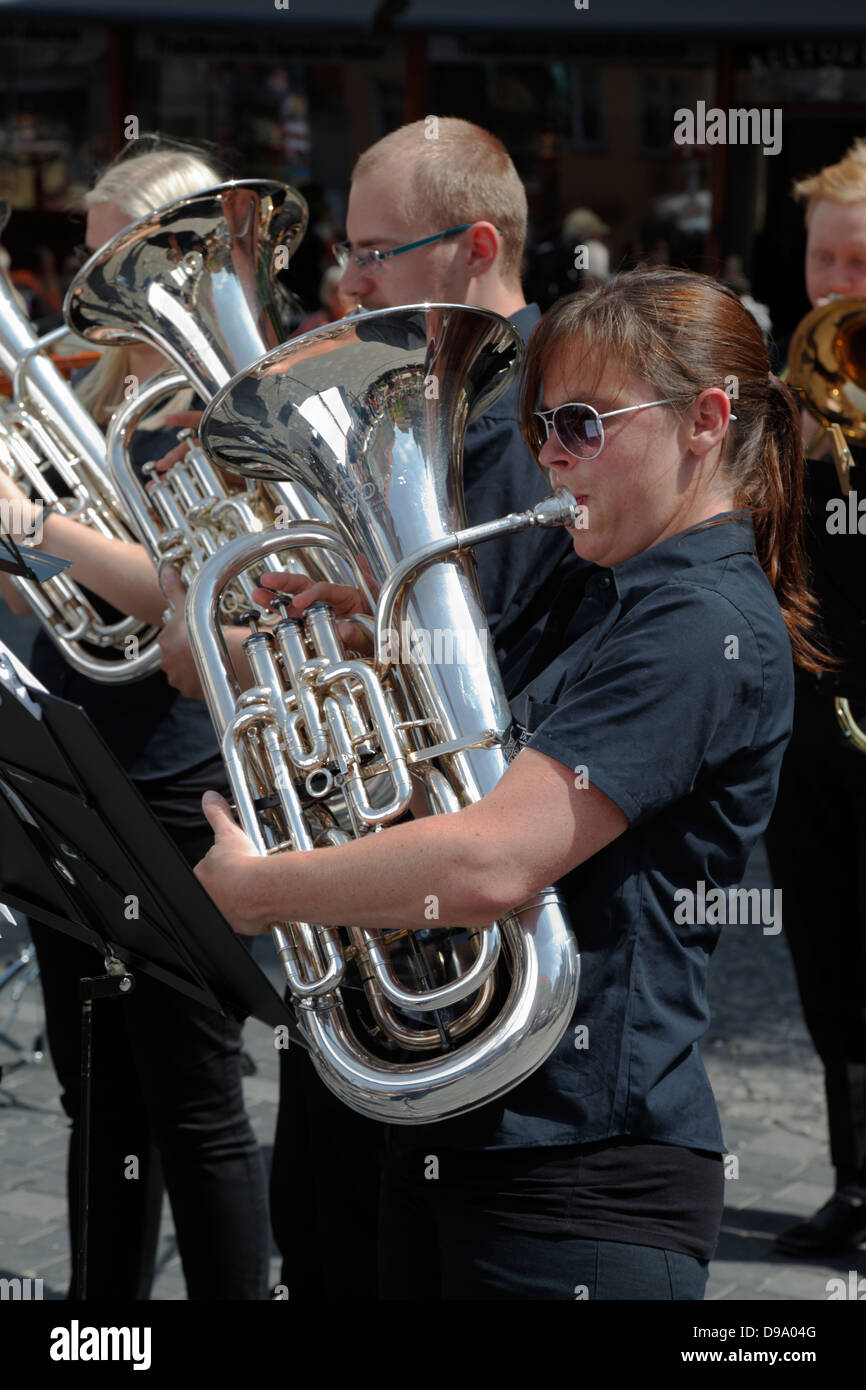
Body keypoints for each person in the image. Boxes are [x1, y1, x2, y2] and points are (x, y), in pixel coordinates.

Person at [193, 265, 822, 1300]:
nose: (547, 457)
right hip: (482, 1149)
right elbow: (462, 798)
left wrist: (262, 891)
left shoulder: (699, 624)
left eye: (580, 423)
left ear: (704, 420)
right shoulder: (608, 595)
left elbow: (490, 860)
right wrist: (368, 633)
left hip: (579, 1180)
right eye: (537, 428)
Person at [151, 115, 577, 1300]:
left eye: (374, 251)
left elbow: (502, 681)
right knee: (327, 1237)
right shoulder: (385, 400)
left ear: (473, 245)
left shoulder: (549, 432)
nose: (344, 281)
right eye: (345, 249)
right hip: (362, 935)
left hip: (466, 951)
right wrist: (281, 628)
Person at [0, 142, 270, 1300]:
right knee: (95, 1089)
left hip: (175, 782)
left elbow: (196, 596)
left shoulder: (227, 405)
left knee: (194, 1101)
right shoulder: (98, 390)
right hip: (80, 759)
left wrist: (40, 526)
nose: (78, 287)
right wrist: (22, 553)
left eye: (107, 248)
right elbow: (73, 606)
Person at [763, 137, 866, 1257]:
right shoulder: (781, 387)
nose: (834, 286)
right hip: (808, 717)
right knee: (825, 959)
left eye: (855, 265)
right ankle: (853, 1179)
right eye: (822, 262)